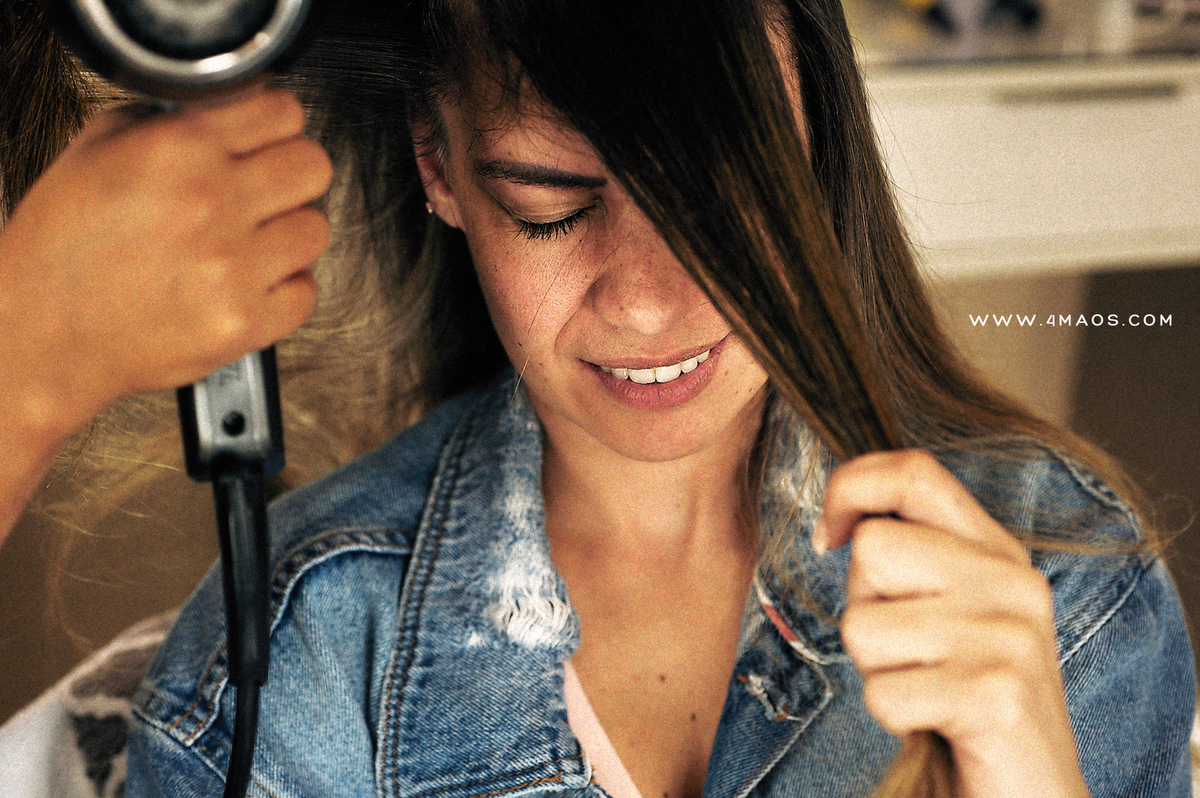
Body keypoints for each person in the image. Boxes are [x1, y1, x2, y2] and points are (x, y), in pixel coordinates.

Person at [0, 0, 1193, 797]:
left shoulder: (1060, 582)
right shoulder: (304, 659)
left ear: (816, 153)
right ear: (439, 166)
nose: (650, 300)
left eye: (718, 202)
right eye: (553, 203)